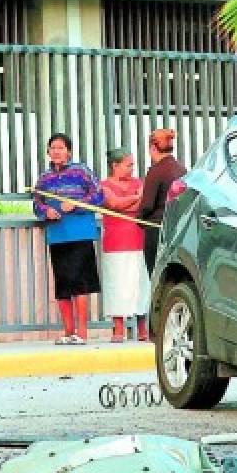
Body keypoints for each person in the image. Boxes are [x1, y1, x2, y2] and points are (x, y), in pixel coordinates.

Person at [32, 133, 104, 345]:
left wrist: (76, 204)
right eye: (53, 148)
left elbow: (99, 195)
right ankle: (68, 331)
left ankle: (81, 332)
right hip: (57, 235)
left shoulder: (81, 172)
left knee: (80, 282)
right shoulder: (44, 178)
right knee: (63, 283)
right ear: (48, 152)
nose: (57, 152)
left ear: (69, 151)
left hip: (80, 233)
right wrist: (47, 212)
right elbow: (36, 203)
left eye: (61, 148)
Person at [100, 147, 151, 343]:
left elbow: (141, 205)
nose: (132, 169)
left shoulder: (139, 182)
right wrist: (135, 198)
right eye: (128, 165)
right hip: (115, 243)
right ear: (115, 165)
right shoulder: (103, 185)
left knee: (141, 284)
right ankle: (118, 328)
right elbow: (113, 204)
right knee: (117, 285)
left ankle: (142, 328)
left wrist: (130, 201)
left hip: (139, 240)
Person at [136, 128, 187, 273]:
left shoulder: (156, 171)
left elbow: (147, 205)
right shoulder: (182, 169)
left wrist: (139, 219)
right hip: (177, 228)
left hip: (156, 230)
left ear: (152, 147)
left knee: (156, 274)